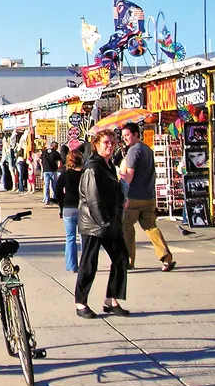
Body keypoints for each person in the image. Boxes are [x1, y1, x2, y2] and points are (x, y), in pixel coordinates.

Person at [74, 129, 130, 319]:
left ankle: (112, 299)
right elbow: (93, 199)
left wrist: (122, 197)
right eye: (106, 142)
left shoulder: (109, 166)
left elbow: (110, 192)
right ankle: (81, 303)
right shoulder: (93, 167)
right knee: (89, 263)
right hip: (94, 224)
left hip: (111, 221)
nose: (110, 145)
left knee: (121, 257)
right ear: (96, 145)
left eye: (113, 142)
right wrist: (104, 222)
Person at [120, 123, 175, 271]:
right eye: (123, 136)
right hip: (149, 196)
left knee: (126, 227)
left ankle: (128, 261)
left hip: (133, 197)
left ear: (136, 134)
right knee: (151, 227)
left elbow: (129, 175)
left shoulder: (133, 151)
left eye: (127, 135)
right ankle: (166, 257)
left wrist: (121, 183)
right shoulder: (147, 150)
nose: (124, 138)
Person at [54, 150, 84, 273]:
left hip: (68, 207)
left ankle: (72, 266)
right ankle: (85, 264)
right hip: (83, 208)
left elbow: (57, 190)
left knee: (70, 237)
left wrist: (61, 201)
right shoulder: (85, 174)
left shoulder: (65, 175)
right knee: (84, 238)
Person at [41, 140, 62, 205]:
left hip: (45, 170)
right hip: (53, 171)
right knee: (54, 185)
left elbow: (41, 160)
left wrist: (43, 168)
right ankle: (54, 198)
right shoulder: (56, 153)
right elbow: (60, 162)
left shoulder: (44, 152)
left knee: (46, 185)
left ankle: (46, 199)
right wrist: (58, 168)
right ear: (55, 147)